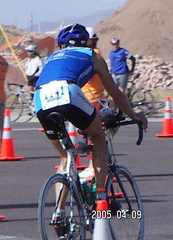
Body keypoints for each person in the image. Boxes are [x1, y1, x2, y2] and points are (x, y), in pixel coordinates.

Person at [34, 24, 147, 208]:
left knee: (66, 157)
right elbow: (116, 94)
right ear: (85, 42)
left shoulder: (51, 57)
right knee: (98, 137)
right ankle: (101, 199)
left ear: (61, 45)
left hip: (40, 98)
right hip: (68, 92)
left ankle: (59, 214)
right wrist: (134, 114)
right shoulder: (93, 55)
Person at [79, 27, 105, 179]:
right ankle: (94, 165)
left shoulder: (93, 55)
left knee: (92, 134)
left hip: (92, 98)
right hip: (90, 97)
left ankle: (93, 166)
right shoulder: (94, 54)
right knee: (89, 134)